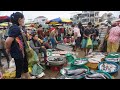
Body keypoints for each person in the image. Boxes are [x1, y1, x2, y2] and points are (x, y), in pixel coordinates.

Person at [5, 12, 29, 79]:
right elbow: (7, 41)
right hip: (18, 53)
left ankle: (27, 77)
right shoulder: (15, 28)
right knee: (19, 70)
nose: (24, 20)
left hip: (21, 53)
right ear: (19, 19)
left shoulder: (17, 27)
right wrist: (7, 49)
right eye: (23, 18)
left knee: (25, 67)